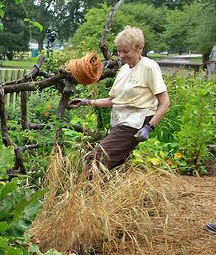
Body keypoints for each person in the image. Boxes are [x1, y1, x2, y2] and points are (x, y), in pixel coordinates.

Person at [69, 26, 171, 170]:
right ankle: (110, 191)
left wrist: (149, 127)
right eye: (119, 51)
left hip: (137, 122)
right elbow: (113, 100)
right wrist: (86, 102)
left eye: (126, 51)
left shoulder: (149, 67)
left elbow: (165, 102)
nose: (121, 55)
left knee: (96, 159)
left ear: (139, 48)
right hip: (121, 122)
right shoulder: (123, 70)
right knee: (116, 165)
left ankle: (86, 190)